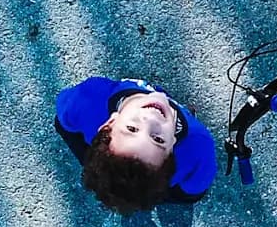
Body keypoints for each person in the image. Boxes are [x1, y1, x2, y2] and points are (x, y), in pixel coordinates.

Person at [54, 77, 216, 213]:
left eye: (132, 129)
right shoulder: (199, 146)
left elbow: (63, 119)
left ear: (109, 123)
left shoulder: (89, 98)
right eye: (158, 139)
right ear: (172, 144)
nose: (150, 119)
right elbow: (194, 189)